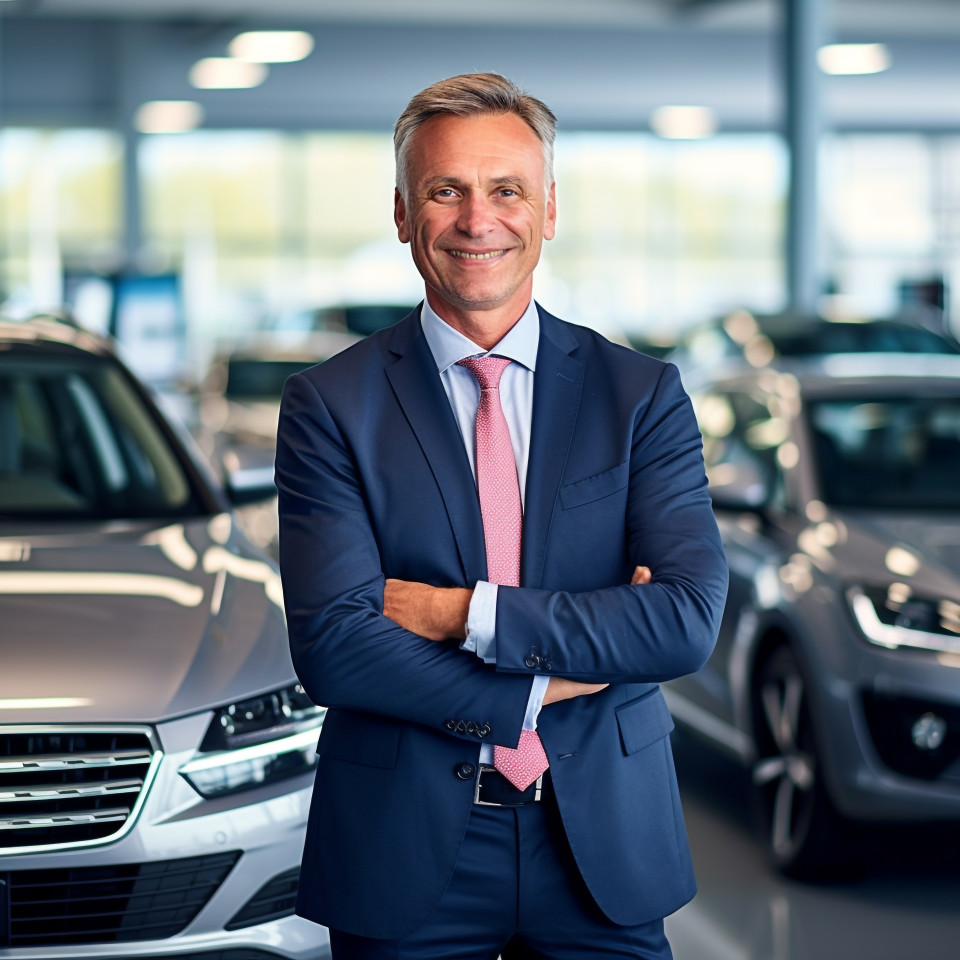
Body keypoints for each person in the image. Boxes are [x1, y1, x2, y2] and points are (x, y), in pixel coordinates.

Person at [275, 72, 728, 960]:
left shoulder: (639, 397)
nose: (478, 220)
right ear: (405, 213)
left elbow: (680, 622)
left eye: (506, 190)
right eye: (446, 190)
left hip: (603, 839)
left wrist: (459, 613)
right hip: (402, 847)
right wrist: (545, 684)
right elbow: (335, 644)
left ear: (548, 210)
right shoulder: (330, 405)